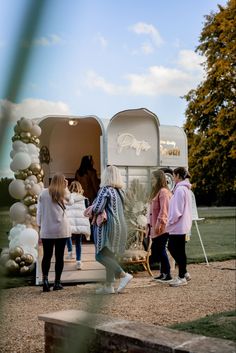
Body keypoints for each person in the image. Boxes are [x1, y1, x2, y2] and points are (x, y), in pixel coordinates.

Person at [86, 165, 133, 294]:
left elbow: (98, 208)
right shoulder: (120, 191)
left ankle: (123, 275)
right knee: (110, 255)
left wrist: (92, 207)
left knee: (100, 255)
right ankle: (109, 286)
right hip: (120, 225)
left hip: (108, 226)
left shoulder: (105, 190)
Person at [37, 173, 71, 292]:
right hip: (61, 228)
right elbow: (71, 202)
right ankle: (57, 282)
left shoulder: (43, 193)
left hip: (47, 229)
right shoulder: (63, 192)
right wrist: (66, 187)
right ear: (62, 182)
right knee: (59, 256)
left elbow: (39, 212)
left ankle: (45, 281)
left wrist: (39, 228)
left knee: (47, 256)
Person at [166, 167, 192, 287]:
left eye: (174, 175)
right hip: (182, 225)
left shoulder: (180, 190)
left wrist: (170, 221)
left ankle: (182, 276)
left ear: (178, 176)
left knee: (173, 248)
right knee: (179, 250)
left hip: (177, 225)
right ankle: (184, 272)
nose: (173, 178)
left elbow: (177, 210)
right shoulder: (185, 189)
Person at [147, 169, 172, 282]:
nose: (151, 181)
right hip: (155, 227)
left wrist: (159, 224)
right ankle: (163, 273)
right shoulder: (157, 191)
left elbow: (164, 210)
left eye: (153, 179)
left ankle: (167, 274)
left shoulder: (163, 192)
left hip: (162, 227)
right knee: (158, 249)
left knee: (161, 249)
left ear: (158, 179)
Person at [65, 181, 91, 269]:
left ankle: (70, 251)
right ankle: (79, 261)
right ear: (80, 188)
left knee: (67, 235)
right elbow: (88, 212)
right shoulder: (85, 199)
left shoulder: (67, 198)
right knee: (78, 241)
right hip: (81, 223)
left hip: (69, 222)